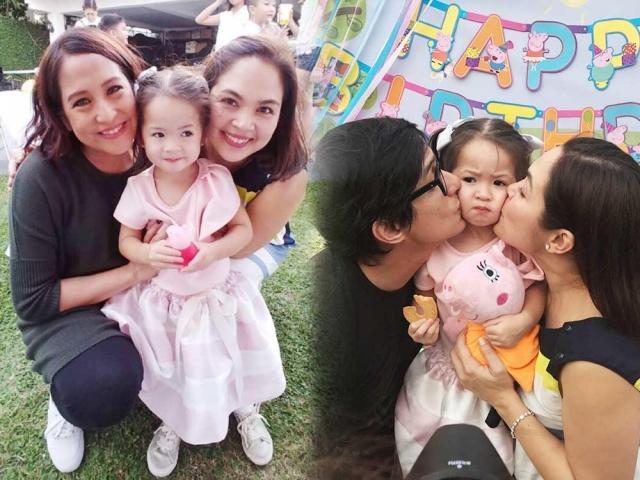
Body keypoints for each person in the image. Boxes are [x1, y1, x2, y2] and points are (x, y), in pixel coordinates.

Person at [101, 67, 286, 477]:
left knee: (231, 355)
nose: (172, 147)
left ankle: (246, 409)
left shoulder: (215, 179)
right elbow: (126, 240)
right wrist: (148, 252)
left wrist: (212, 250)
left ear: (203, 133)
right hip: (166, 302)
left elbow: (242, 230)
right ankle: (173, 419)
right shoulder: (139, 188)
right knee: (180, 368)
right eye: (159, 134)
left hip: (217, 293)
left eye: (185, 133)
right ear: (141, 136)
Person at [450, 137, 640, 479]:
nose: (509, 189)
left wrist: (503, 400)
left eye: (524, 190)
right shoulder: (542, 284)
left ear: (558, 240)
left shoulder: (595, 361)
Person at [9, 28, 151, 473]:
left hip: (150, 292)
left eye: (114, 89)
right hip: (72, 309)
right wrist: (133, 272)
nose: (107, 114)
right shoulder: (40, 178)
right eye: (82, 101)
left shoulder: (161, 145)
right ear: (61, 115)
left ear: (135, 84)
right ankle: (62, 395)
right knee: (100, 389)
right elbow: (35, 300)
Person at [313, 117, 464, 479]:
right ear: (392, 227)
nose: (456, 182)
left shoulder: (448, 267)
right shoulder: (333, 333)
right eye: (435, 178)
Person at [395, 118, 546, 476]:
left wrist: (524, 319)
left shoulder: (512, 243)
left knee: (490, 456)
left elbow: (537, 286)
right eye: (470, 179)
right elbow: (424, 298)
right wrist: (424, 327)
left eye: (499, 183)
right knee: (422, 446)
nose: (483, 194)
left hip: (500, 370)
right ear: (448, 178)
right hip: (445, 367)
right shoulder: (436, 243)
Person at [203, 35, 308, 285]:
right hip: (198, 230)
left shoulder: (287, 175)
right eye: (230, 101)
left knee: (227, 281)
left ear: (281, 116)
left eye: (265, 109)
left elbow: (239, 249)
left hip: (256, 243)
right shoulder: (179, 140)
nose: (243, 124)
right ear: (204, 93)